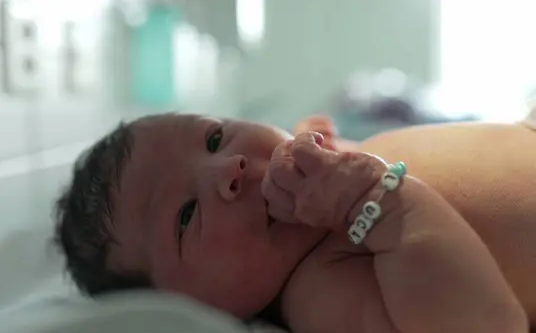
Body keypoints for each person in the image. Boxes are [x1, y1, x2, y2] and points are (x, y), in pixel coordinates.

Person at [54, 111, 536, 333]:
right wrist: (379, 202)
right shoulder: (319, 289)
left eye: (216, 137)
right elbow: (482, 325)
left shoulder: (313, 187)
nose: (229, 169)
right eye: (186, 216)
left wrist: (318, 143)